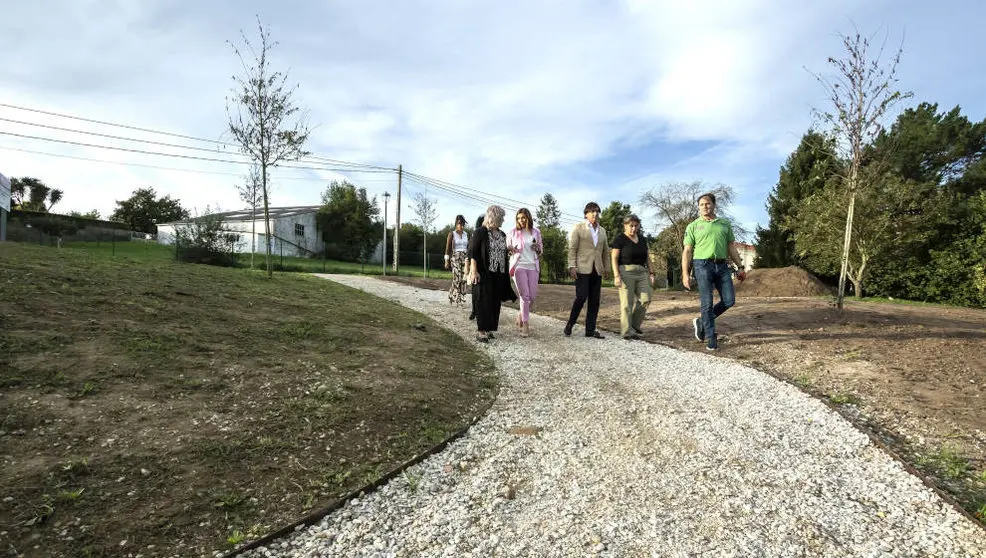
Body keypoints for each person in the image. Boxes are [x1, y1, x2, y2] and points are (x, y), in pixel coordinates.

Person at [681, 192, 746, 351]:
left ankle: (702, 322)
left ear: (714, 205)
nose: (705, 206)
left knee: (729, 300)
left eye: (707, 203)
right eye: (701, 204)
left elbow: (731, 246)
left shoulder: (724, 224)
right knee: (707, 302)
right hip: (702, 265)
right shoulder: (693, 226)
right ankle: (711, 336)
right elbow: (687, 251)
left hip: (722, 265)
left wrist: (740, 267)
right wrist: (685, 273)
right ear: (698, 207)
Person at [468, 205, 517, 342]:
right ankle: (481, 331)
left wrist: (509, 250)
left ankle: (490, 328)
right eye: (501, 217)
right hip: (484, 271)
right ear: (494, 217)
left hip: (499, 272)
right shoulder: (480, 232)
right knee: (483, 300)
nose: (503, 220)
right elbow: (473, 252)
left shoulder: (502, 234)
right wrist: (473, 270)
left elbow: (500, 250)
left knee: (495, 301)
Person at [564, 201, 610, 339]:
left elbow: (605, 251)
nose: (595, 214)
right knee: (581, 297)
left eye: (597, 211)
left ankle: (590, 330)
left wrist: (606, 268)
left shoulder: (602, 231)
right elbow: (572, 248)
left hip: (597, 269)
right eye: (592, 211)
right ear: (586, 214)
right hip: (582, 268)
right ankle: (570, 324)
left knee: (595, 300)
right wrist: (572, 266)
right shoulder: (578, 228)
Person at [610, 214, 655, 340]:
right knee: (627, 303)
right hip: (625, 272)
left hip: (642, 272)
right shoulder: (620, 239)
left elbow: (647, 257)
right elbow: (614, 258)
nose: (633, 229)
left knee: (646, 299)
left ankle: (634, 326)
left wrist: (651, 273)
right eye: (631, 226)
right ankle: (626, 331)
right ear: (625, 226)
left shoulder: (642, 239)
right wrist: (616, 275)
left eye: (636, 226)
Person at [507, 208, 543, 338]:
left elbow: (540, 251)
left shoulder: (536, 232)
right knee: (525, 295)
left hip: (533, 266)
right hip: (519, 266)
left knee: (532, 296)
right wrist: (511, 250)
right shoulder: (513, 232)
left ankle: (520, 316)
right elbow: (508, 249)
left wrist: (537, 248)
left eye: (523, 218)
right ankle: (526, 324)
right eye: (518, 218)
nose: (521, 220)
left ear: (528, 218)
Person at [444, 215, 469, 306]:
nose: (461, 226)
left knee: (464, 279)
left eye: (462, 224)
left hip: (464, 258)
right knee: (457, 278)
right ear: (456, 224)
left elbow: (468, 247)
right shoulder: (452, 234)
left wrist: (468, 260)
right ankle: (452, 295)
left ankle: (460, 298)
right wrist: (446, 261)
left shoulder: (466, 234)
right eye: (459, 224)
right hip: (455, 257)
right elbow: (447, 249)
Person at [468, 214, 485, 321]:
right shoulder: (475, 234)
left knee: (482, 292)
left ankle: (481, 312)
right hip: (475, 266)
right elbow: (470, 251)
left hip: (485, 267)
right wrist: (469, 266)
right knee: (475, 291)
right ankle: (474, 310)